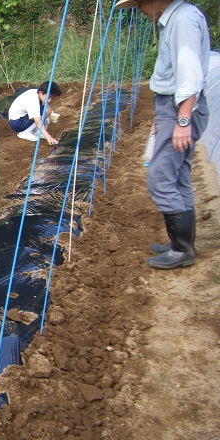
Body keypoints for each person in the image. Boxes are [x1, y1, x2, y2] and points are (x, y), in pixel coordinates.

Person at [115, 0, 210, 269]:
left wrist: (182, 121)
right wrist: (164, 119)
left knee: (160, 179)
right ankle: (180, 244)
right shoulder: (179, 19)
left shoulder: (182, 21)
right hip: (173, 108)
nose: (140, 10)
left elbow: (190, 75)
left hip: (181, 108)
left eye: (141, 3)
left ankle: (182, 249)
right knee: (178, 177)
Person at [8, 81, 62, 145]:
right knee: (43, 111)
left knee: (48, 109)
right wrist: (49, 137)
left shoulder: (37, 93)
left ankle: (34, 131)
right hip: (17, 122)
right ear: (41, 93)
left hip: (22, 118)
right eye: (49, 97)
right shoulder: (33, 99)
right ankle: (25, 133)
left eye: (52, 98)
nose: (50, 100)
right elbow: (38, 122)